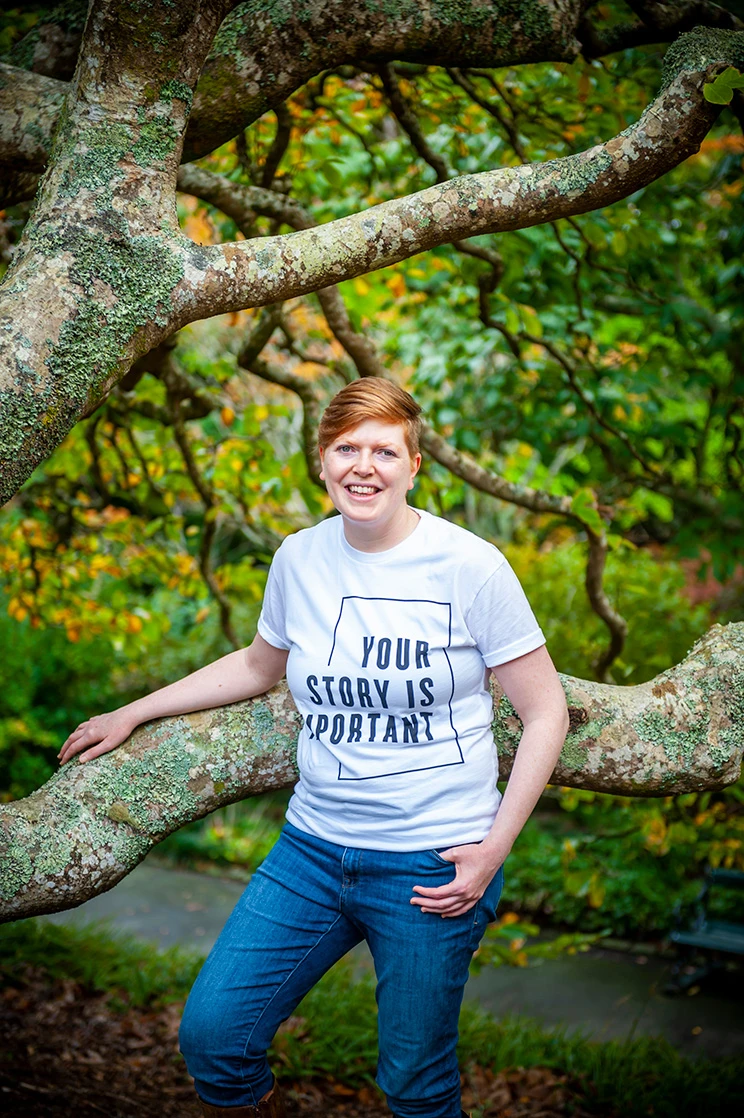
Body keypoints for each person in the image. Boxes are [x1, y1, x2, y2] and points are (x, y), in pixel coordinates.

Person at [59, 379, 569, 1118]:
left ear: (414, 465)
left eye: (384, 450)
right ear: (322, 462)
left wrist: (494, 849)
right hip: (313, 851)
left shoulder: (470, 567)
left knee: (415, 1087)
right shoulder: (299, 559)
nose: (365, 466)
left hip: (434, 865)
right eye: (346, 448)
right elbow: (259, 665)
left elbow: (545, 710)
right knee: (214, 1038)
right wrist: (133, 710)